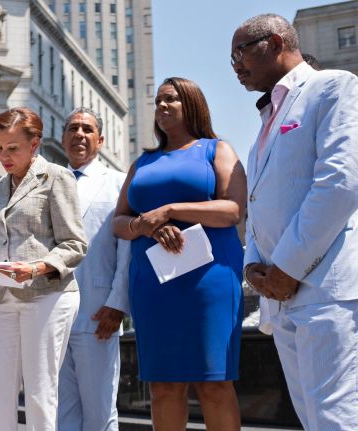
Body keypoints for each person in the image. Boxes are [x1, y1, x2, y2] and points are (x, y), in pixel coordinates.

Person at [231, 14, 358, 430]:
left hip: (323, 288)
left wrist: (286, 267)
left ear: (273, 42)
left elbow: (340, 183)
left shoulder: (333, 87)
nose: (234, 64)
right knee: (312, 418)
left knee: (335, 416)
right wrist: (253, 265)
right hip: (278, 294)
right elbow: (260, 201)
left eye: (240, 52)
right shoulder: (266, 119)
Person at [112, 77, 246, 430]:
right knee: (163, 386)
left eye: (171, 99)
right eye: (157, 101)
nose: (162, 106)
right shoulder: (143, 162)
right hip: (154, 284)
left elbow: (233, 210)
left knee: (214, 382)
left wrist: (171, 210)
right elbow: (119, 222)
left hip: (209, 281)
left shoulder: (216, 150)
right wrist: (147, 226)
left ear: (192, 104)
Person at [0, 107, 87, 431]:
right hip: (0, 296)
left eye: (12, 148)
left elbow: (75, 244)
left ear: (34, 143)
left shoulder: (56, 177)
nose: (4, 156)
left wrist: (37, 268)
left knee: (41, 392)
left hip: (47, 295)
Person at [57, 108, 131, 431]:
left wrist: (118, 302)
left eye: (87, 129)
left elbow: (127, 250)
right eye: (73, 128)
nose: (79, 134)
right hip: (53, 315)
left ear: (100, 140)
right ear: (63, 139)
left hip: (98, 313)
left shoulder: (118, 183)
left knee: (100, 412)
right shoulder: (48, 181)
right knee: (62, 413)